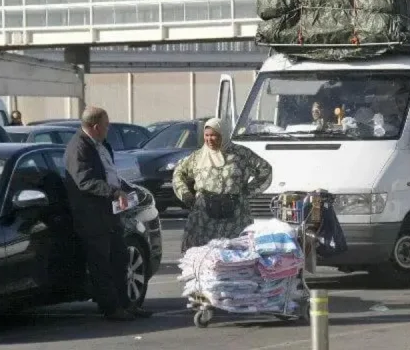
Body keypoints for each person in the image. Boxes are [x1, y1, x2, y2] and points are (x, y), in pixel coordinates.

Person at [63, 106, 151, 321]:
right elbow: (84, 181)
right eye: (106, 125)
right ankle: (111, 308)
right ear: (95, 127)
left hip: (111, 213)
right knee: (101, 264)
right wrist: (113, 192)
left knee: (120, 260)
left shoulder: (101, 146)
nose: (108, 129)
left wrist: (124, 191)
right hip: (92, 217)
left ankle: (126, 304)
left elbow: (109, 174)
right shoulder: (79, 148)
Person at [173, 118, 273, 253]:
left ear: (223, 135)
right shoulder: (197, 157)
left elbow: (265, 170)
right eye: (206, 135)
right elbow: (179, 174)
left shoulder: (241, 154)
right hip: (204, 218)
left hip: (236, 216)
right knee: (203, 256)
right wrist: (185, 194)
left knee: (237, 255)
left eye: (214, 135)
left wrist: (248, 191)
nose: (210, 139)